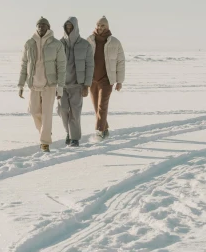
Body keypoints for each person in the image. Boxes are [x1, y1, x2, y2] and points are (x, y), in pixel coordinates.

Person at [18, 17, 66, 152]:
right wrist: (21, 85)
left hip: (49, 84)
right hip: (33, 84)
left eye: (44, 25)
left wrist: (60, 86)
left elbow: (62, 67)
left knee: (46, 114)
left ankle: (44, 142)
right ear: (36, 27)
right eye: (39, 25)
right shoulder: (29, 43)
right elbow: (23, 65)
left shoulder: (57, 44)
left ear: (49, 27)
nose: (41, 27)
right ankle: (45, 131)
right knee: (34, 111)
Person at [58, 16, 94, 147]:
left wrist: (87, 85)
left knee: (75, 112)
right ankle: (68, 132)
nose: (69, 29)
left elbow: (90, 66)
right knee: (62, 110)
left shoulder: (85, 45)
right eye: (67, 27)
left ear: (76, 27)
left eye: (71, 27)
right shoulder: (58, 44)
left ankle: (74, 138)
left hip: (78, 85)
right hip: (61, 85)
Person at [87, 16, 125, 139]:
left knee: (102, 105)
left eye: (103, 25)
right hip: (92, 79)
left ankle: (99, 131)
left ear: (107, 27)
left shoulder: (114, 42)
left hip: (107, 79)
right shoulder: (89, 40)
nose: (100, 27)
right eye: (98, 25)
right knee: (96, 107)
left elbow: (121, 62)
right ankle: (105, 128)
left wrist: (119, 81)